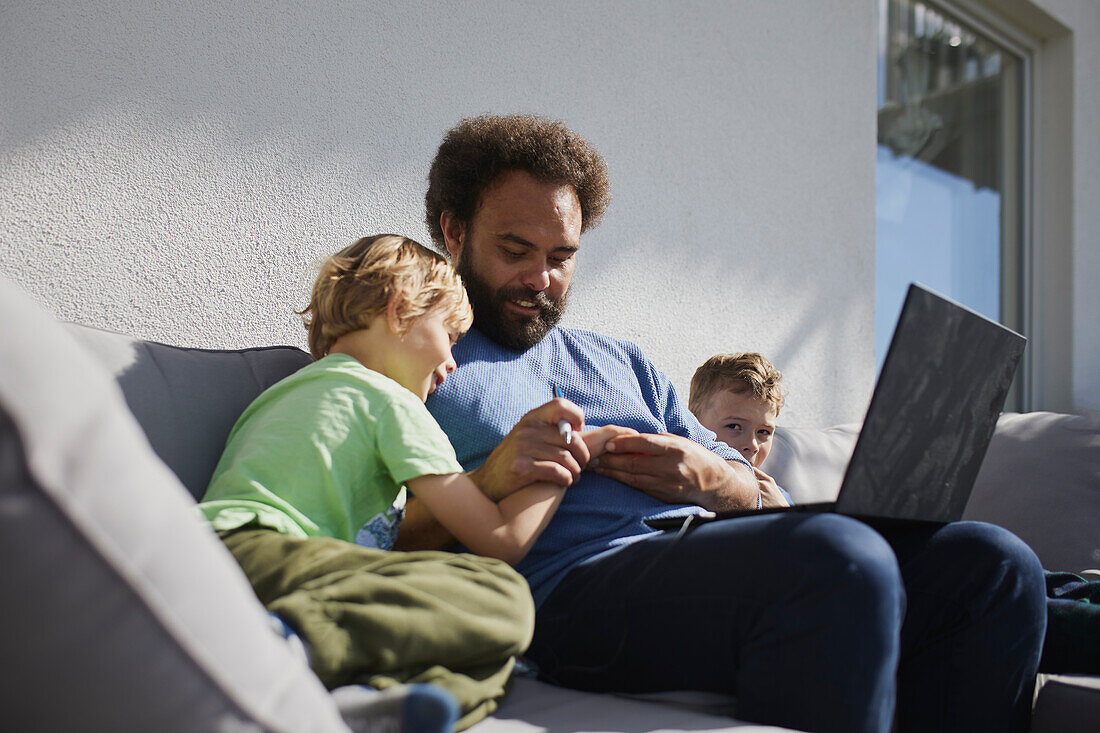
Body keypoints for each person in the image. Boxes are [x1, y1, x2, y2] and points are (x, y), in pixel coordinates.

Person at [397, 113, 1048, 733]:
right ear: (454, 232)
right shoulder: (413, 355)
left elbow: (766, 494)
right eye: (516, 250)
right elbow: (360, 532)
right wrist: (488, 479)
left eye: (561, 256)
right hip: (568, 590)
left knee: (994, 564)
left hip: (694, 548)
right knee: (841, 561)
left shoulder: (623, 360)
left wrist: (713, 477)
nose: (541, 278)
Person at [198, 234, 629, 729]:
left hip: (218, 554)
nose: (450, 364)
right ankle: (291, 645)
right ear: (400, 309)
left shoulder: (292, 391)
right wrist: (568, 452)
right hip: (267, 559)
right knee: (503, 598)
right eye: (449, 337)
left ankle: (378, 706)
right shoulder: (389, 400)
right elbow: (499, 540)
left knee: (496, 659)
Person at [688, 351, 784, 469]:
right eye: (734, 426)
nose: (753, 445)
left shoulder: (771, 487)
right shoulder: (673, 481)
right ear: (693, 421)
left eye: (763, 432)